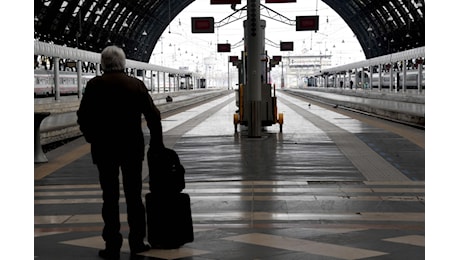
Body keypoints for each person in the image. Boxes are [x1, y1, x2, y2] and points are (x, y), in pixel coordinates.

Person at [77, 45, 164, 260]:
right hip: (131, 148)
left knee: (110, 197)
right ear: (123, 63)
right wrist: (156, 144)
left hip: (104, 148)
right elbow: (154, 116)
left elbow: (83, 116)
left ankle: (112, 244)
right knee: (134, 196)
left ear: (103, 64)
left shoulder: (94, 85)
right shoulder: (135, 85)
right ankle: (137, 241)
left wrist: (92, 137)